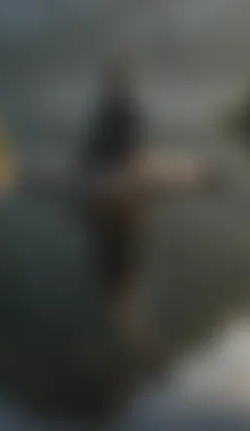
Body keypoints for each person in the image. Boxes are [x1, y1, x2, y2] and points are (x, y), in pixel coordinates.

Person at [76, 58, 149, 346]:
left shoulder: (124, 108)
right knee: (113, 249)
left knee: (118, 249)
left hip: (117, 167)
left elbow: (124, 141)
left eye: (115, 80)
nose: (112, 85)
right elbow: (99, 137)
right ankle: (121, 312)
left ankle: (123, 315)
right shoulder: (113, 107)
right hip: (111, 166)